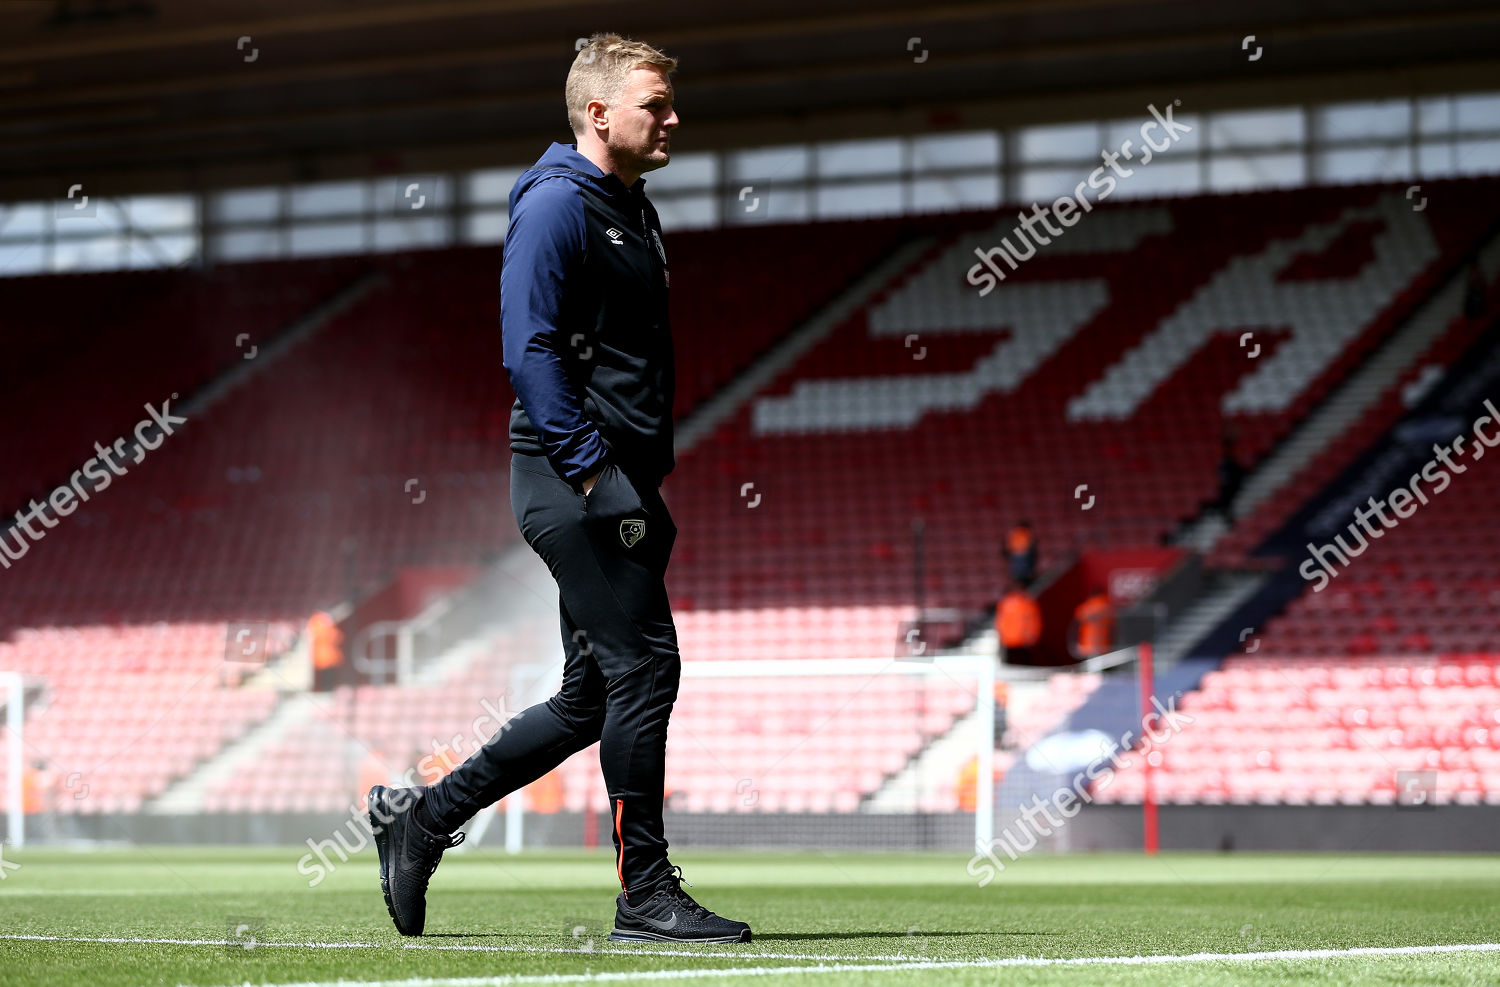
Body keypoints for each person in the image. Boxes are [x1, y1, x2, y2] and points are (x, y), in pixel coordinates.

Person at [366, 33, 749, 945]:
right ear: (598, 112)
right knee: (647, 666)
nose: (672, 117)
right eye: (655, 103)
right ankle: (645, 893)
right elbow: (527, 348)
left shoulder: (631, 209)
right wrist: (594, 473)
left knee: (590, 697)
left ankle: (420, 819)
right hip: (572, 476)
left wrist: (635, 484)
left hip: (618, 482)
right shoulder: (555, 206)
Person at [995, 578, 1042, 666]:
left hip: (1023, 642)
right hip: (1009, 641)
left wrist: (1032, 636)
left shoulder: (1027, 602)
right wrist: (1002, 637)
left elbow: (1032, 621)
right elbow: (1000, 621)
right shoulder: (1006, 602)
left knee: (1024, 666)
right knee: (1011, 666)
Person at [1073, 587, 1115, 660]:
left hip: (1089, 643)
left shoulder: (1088, 606)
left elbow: (1078, 616)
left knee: (1093, 665)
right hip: (1104, 643)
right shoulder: (1107, 605)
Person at [1003, 520, 1038, 587]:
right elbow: (1032, 544)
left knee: (1018, 574)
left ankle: (1021, 584)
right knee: (1025, 574)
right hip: (1024, 555)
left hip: (1014, 555)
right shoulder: (1026, 532)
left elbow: (1006, 545)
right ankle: (1026, 584)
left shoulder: (1013, 532)